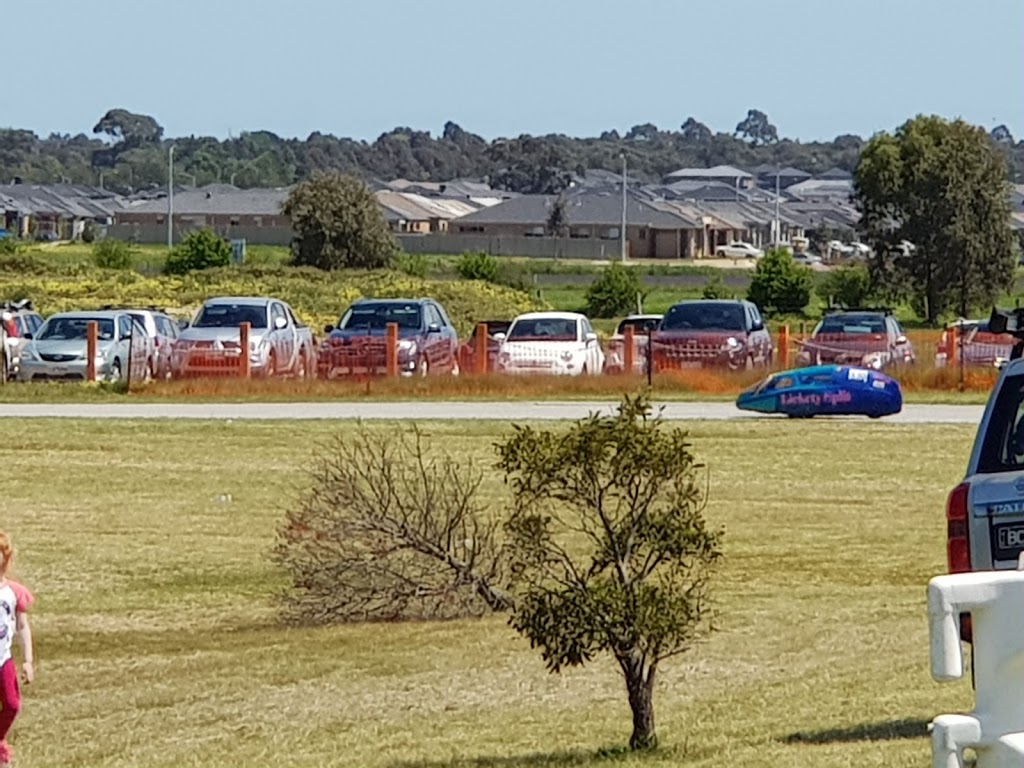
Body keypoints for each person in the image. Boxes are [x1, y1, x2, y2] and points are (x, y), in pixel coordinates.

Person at [0, 533, 34, 768]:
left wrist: (28, 661)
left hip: (3, 659)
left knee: (12, 704)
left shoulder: (13, 592)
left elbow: (22, 625)